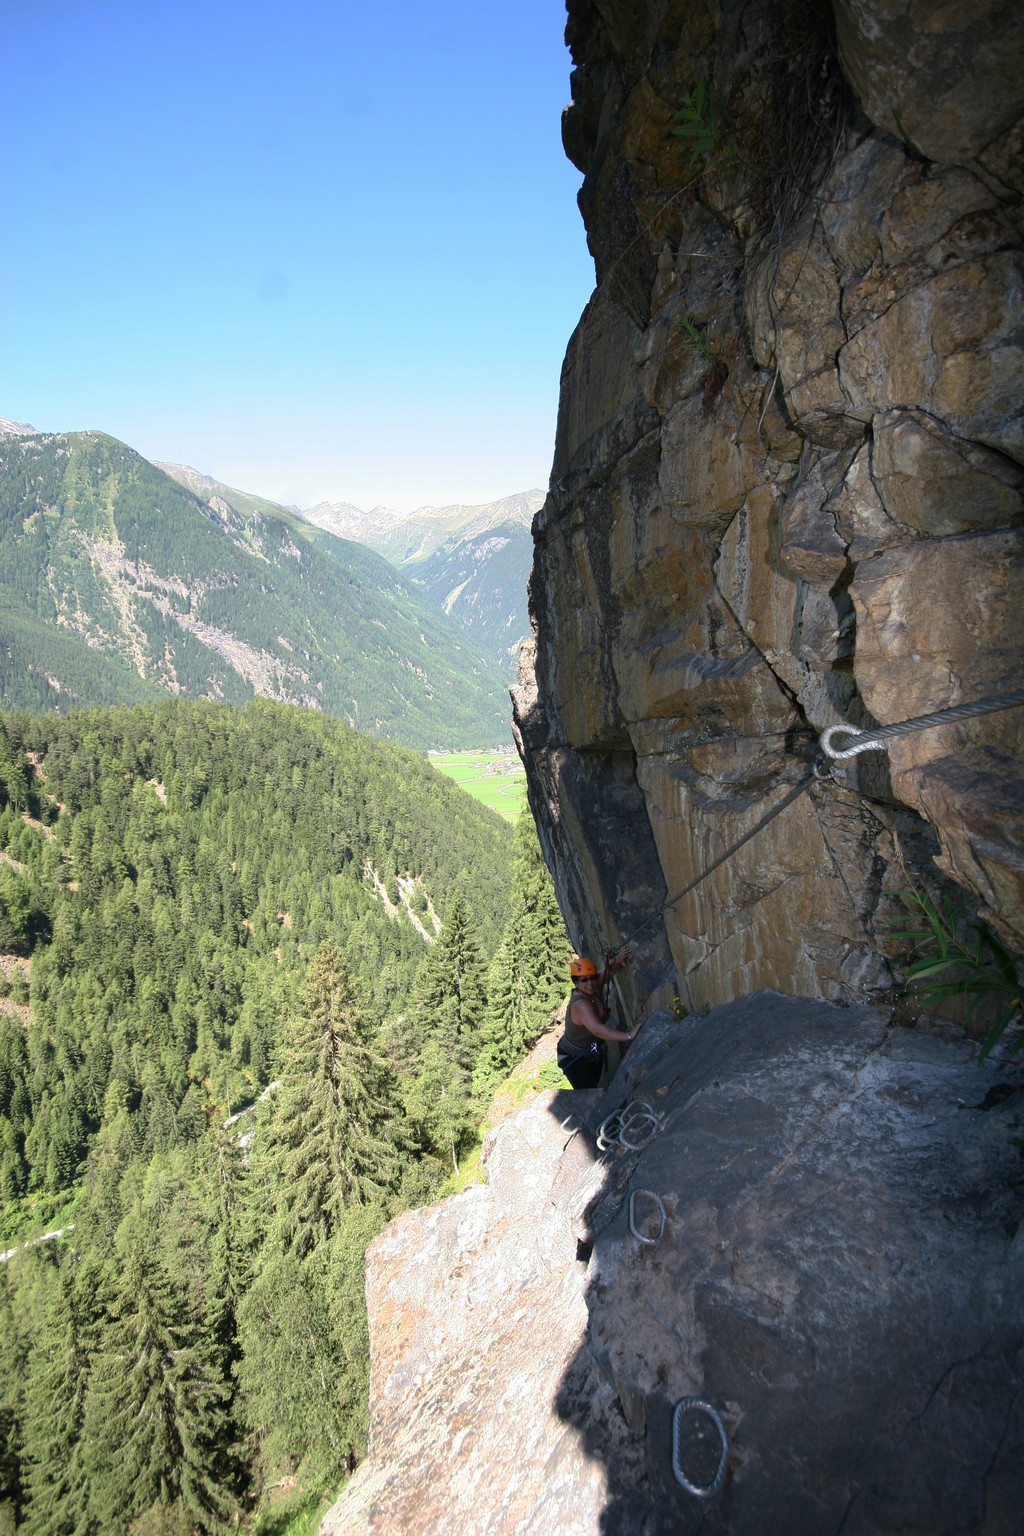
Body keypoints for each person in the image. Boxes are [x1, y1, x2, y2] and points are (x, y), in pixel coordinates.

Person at [557, 948, 636, 1089]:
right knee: (590, 1092)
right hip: (573, 1058)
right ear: (576, 983)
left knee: (597, 1087)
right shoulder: (580, 1004)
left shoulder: (590, 988)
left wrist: (618, 959)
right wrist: (628, 1036)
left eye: (592, 977)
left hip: (591, 1052)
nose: (590, 983)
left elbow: (607, 972)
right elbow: (596, 1029)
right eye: (584, 980)